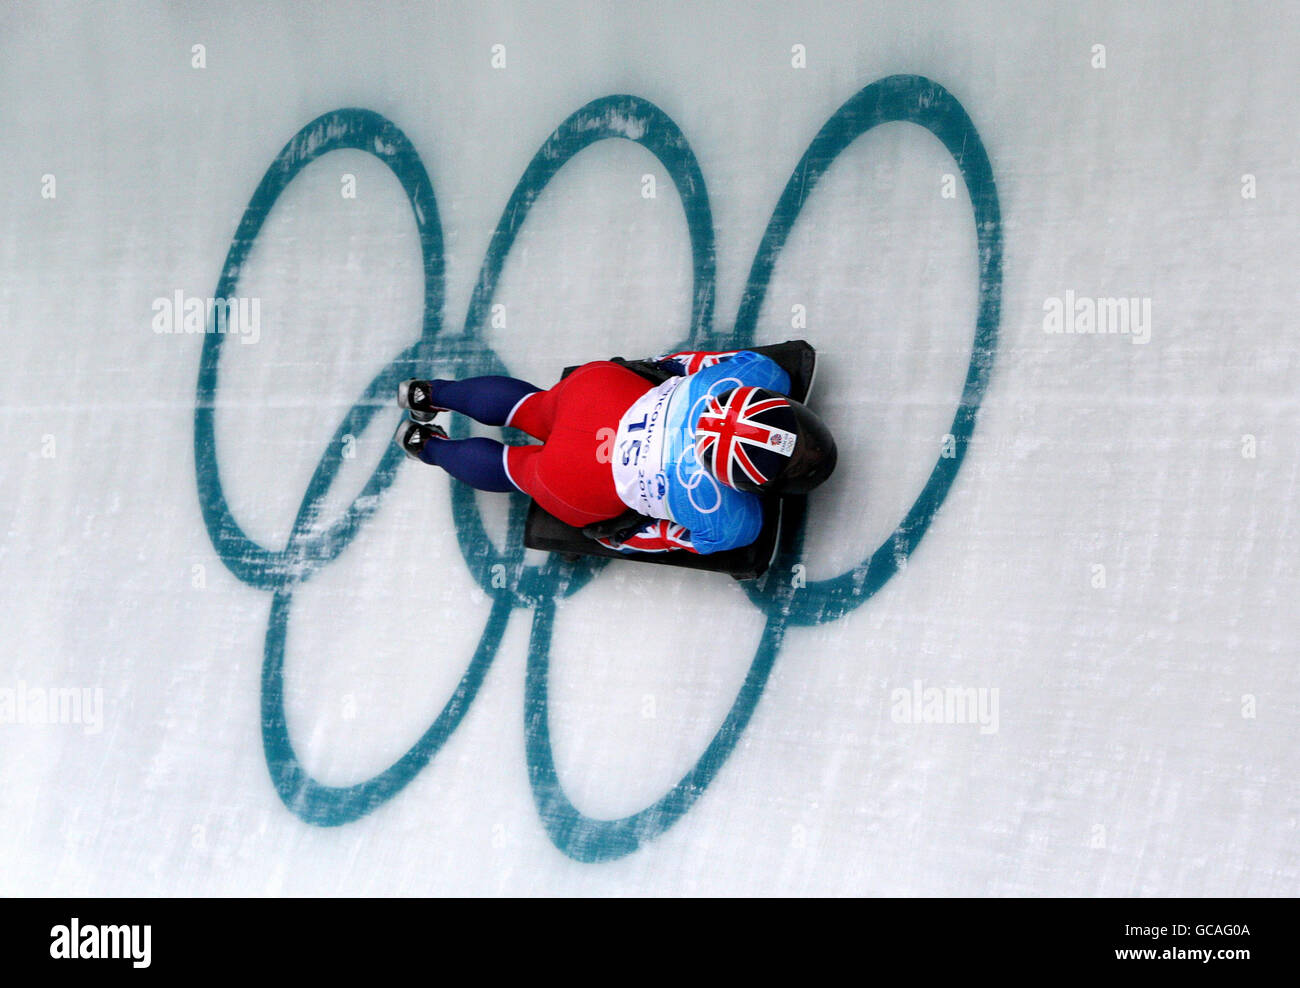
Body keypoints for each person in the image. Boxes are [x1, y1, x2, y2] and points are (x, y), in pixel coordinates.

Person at [393, 348, 836, 554]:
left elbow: (681, 363)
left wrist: (652, 375)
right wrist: (616, 537)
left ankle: (429, 392)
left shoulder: (760, 374)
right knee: (522, 471)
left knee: (535, 405)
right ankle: (427, 447)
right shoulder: (732, 517)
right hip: (582, 478)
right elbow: (667, 538)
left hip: (598, 394)